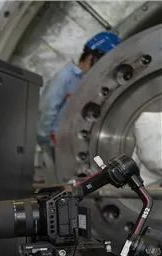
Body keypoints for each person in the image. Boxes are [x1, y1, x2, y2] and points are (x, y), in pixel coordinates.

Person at [36, 31, 121, 181]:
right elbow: (47, 108)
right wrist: (46, 140)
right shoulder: (66, 77)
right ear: (91, 57)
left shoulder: (89, 81)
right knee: (58, 183)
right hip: (55, 146)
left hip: (74, 145)